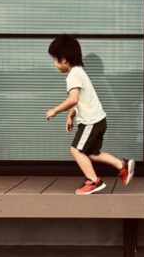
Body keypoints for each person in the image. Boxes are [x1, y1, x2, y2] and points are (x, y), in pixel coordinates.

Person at [45, 34, 135, 195]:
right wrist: (70, 116)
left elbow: (73, 99)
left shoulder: (73, 75)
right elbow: (81, 101)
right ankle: (122, 165)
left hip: (90, 122)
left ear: (63, 59)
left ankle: (94, 181)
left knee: (76, 151)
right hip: (98, 120)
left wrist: (55, 110)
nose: (54, 63)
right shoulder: (79, 71)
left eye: (54, 59)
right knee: (92, 153)